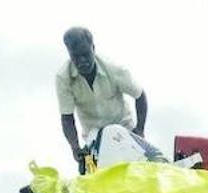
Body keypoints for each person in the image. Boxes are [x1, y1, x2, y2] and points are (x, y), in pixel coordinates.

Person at [57, 26, 148, 174]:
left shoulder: (114, 69)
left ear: (93, 48)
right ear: (69, 54)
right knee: (93, 178)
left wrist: (140, 129)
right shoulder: (63, 78)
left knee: (136, 174)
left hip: (124, 130)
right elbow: (67, 118)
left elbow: (140, 96)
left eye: (85, 55)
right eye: (76, 57)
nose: (82, 61)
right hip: (93, 138)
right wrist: (75, 148)